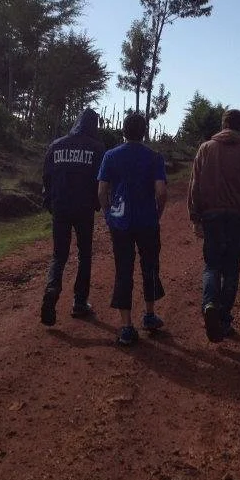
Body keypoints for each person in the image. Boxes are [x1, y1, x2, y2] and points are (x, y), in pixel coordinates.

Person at [187, 109, 240, 342]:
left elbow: (195, 185)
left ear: (223, 125)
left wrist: (195, 217)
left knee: (212, 265)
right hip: (236, 218)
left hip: (211, 216)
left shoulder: (205, 149)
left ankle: (209, 303)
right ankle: (223, 318)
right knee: (231, 269)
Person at [97, 112, 168, 346]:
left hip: (121, 223)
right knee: (150, 267)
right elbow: (161, 192)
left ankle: (126, 327)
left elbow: (102, 191)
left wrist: (108, 214)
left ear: (123, 131)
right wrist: (157, 213)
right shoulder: (154, 157)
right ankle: (149, 314)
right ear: (145, 131)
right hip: (147, 221)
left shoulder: (110, 156)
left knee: (123, 270)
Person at [40, 108, 105, 326]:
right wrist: (99, 204)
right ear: (93, 125)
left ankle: (52, 289)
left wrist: (49, 201)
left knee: (59, 255)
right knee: (85, 254)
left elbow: (47, 178)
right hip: (84, 209)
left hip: (60, 208)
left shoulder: (56, 145)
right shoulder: (96, 148)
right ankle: (79, 302)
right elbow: (101, 181)